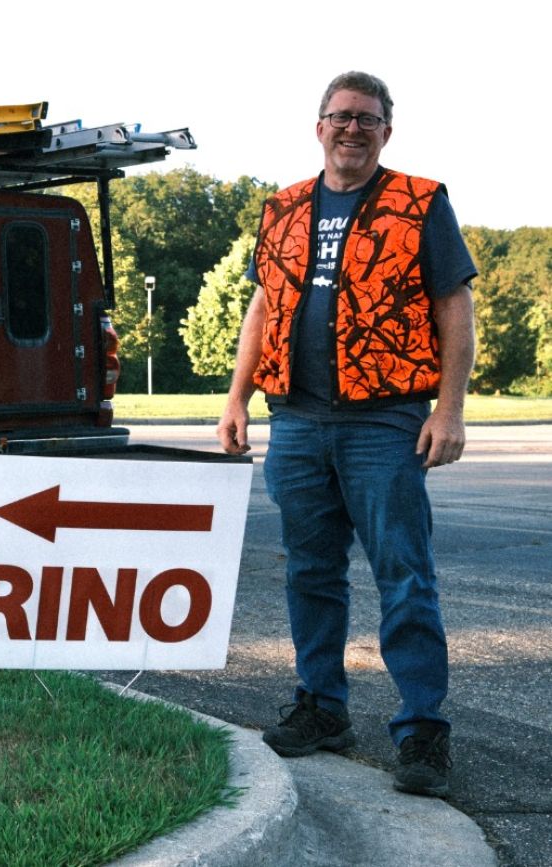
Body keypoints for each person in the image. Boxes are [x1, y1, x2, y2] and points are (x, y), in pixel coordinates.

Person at [217, 71, 477, 798]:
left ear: (387, 130)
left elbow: (455, 306)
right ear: (319, 126)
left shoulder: (420, 202)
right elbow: (263, 308)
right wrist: (237, 398)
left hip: (385, 418)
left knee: (404, 572)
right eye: (341, 117)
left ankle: (422, 727)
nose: (352, 129)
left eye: (367, 119)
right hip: (296, 418)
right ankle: (322, 705)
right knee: (310, 571)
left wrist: (448, 408)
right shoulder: (284, 209)